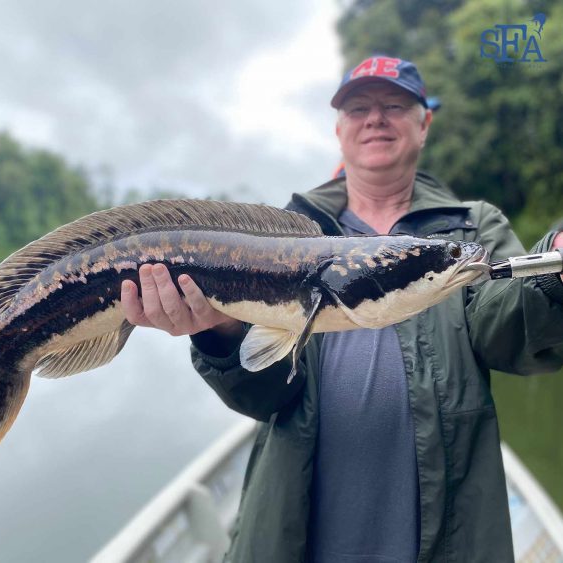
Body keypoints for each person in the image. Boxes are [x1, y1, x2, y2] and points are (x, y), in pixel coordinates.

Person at [120, 56, 563, 562]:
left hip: (446, 527)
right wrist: (219, 334)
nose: (376, 117)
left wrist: (552, 276)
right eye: (358, 108)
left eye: (395, 105)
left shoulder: (472, 227)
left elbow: (511, 334)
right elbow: (263, 395)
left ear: (424, 123)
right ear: (339, 128)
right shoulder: (277, 232)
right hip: (302, 525)